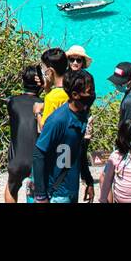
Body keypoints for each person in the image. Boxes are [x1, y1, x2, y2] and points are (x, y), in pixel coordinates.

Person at [31, 69, 97, 203]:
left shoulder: (82, 115)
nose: (93, 95)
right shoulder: (58, 120)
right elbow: (38, 154)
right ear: (75, 94)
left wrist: (88, 180)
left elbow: (79, 151)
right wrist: (41, 195)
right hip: (57, 193)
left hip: (72, 190)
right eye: (89, 91)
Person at [5, 65, 43, 203]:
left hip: (17, 159)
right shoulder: (43, 104)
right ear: (40, 83)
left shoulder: (12, 101)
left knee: (11, 187)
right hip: (37, 160)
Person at [37, 47, 70, 129]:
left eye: (43, 68)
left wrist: (37, 113)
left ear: (50, 71)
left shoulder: (52, 98)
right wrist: (47, 89)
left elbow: (45, 128)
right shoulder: (74, 89)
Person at [109, 61, 131, 128]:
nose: (116, 85)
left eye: (120, 83)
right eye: (115, 82)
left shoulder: (129, 102)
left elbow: (128, 128)